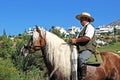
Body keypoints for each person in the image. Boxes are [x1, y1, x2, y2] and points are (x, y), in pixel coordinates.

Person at [70, 12, 96, 80]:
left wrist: (76, 40)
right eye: (80, 19)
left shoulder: (90, 27)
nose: (80, 20)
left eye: (82, 19)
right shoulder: (82, 29)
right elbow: (79, 40)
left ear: (87, 19)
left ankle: (83, 77)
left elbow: (87, 38)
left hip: (88, 48)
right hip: (80, 49)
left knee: (82, 58)